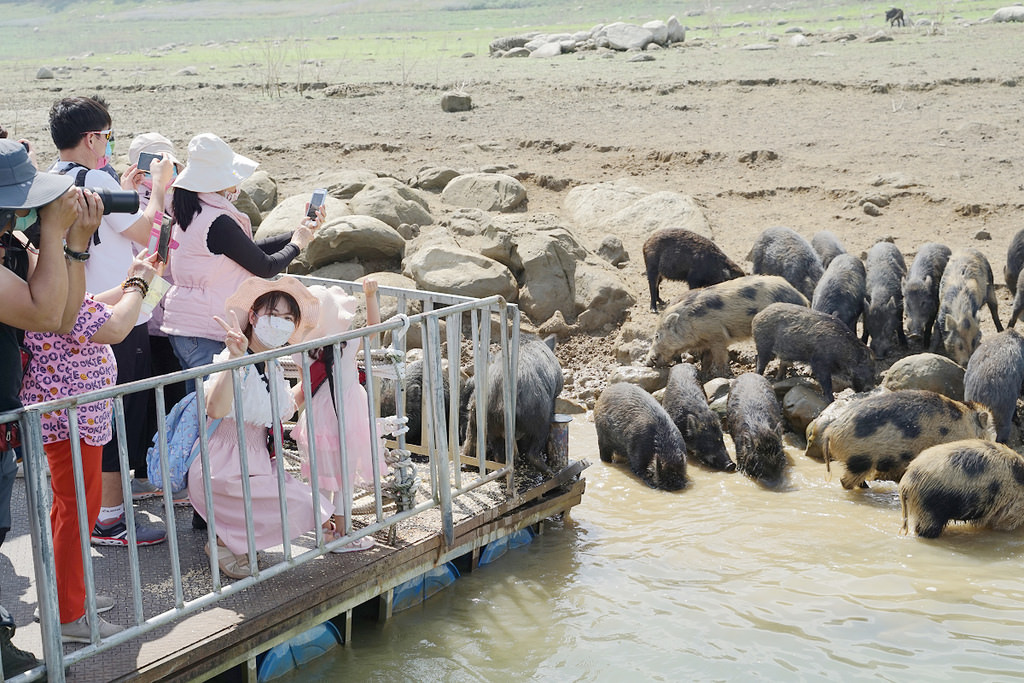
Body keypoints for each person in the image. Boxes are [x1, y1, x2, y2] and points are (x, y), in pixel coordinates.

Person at [48, 96, 174, 546]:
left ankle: (93, 512)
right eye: (107, 133)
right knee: (119, 416)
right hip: (117, 313)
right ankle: (112, 519)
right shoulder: (97, 178)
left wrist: (120, 186)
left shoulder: (52, 179)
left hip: (69, 313)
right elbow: (148, 232)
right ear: (92, 137)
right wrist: (157, 188)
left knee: (84, 421)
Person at [20, 247, 163, 643]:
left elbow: (88, 307)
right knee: (77, 511)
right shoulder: (44, 282)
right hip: (71, 418)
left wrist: (131, 280)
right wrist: (139, 285)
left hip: (75, 416)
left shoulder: (42, 284)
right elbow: (114, 329)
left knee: (70, 509)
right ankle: (68, 617)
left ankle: (66, 596)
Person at [0, 139, 92, 675]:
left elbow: (62, 317)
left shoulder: (11, 245)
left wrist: (72, 245)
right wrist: (54, 233)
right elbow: (40, 312)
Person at [190, 276, 338, 579]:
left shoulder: (270, 362)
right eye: (274, 316)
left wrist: (311, 374)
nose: (281, 323)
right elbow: (215, 408)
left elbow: (281, 410)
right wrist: (233, 359)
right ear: (254, 317)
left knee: (306, 502)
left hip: (257, 461)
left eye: (287, 318)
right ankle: (222, 541)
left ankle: (233, 539)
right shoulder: (235, 358)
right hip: (223, 465)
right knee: (298, 503)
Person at [161, 133, 325, 376]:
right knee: (218, 409)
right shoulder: (216, 220)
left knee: (199, 406)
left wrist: (298, 233)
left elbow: (248, 250)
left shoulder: (192, 211)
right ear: (219, 180)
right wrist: (297, 245)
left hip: (186, 327)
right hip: (208, 330)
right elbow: (265, 266)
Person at [291, 280, 387, 553]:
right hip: (347, 415)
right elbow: (374, 328)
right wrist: (370, 295)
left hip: (318, 417)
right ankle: (345, 534)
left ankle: (323, 533)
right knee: (345, 479)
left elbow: (304, 385)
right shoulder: (349, 341)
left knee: (321, 478)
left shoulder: (302, 349)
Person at [121, 132, 189, 504]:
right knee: (150, 398)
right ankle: (147, 473)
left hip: (159, 315)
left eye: (167, 161)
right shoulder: (134, 205)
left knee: (165, 397)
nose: (161, 170)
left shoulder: (178, 201)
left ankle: (157, 473)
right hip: (145, 314)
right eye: (152, 162)